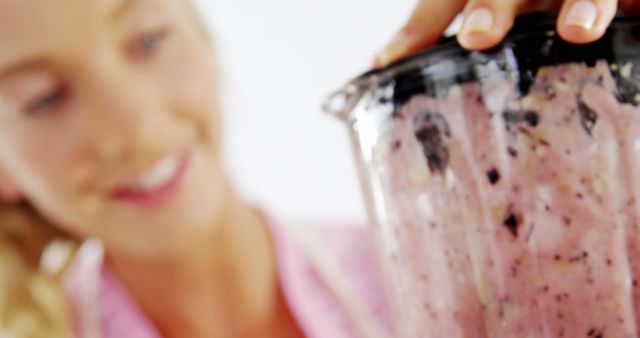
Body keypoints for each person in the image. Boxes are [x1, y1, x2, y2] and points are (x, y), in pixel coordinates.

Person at [0, 0, 636, 337]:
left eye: (147, 39)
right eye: (43, 98)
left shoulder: (474, 285)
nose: (133, 123)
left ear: (206, 45)